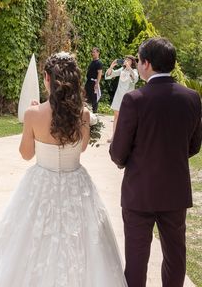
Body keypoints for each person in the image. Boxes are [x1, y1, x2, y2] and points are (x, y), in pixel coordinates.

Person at [0, 52, 126, 286]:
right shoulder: (84, 114)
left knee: (28, 240)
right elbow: (80, 149)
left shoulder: (33, 113)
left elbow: (26, 154)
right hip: (76, 182)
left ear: (47, 79)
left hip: (40, 182)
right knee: (83, 242)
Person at [110, 37, 202, 287]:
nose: (138, 65)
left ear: (147, 64)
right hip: (174, 192)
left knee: (137, 259)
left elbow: (118, 152)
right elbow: (194, 146)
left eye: (139, 61)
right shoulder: (192, 98)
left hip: (139, 192)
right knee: (175, 257)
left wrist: (126, 161)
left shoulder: (135, 100)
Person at [105, 55, 139, 142]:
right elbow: (110, 74)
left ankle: (126, 138)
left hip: (128, 97)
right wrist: (111, 66)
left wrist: (129, 69)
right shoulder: (121, 70)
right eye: (125, 59)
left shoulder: (134, 71)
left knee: (127, 117)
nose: (126, 61)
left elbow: (135, 79)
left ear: (132, 62)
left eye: (128, 60)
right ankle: (114, 137)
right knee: (116, 116)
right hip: (119, 95)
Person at [85, 46, 103, 113]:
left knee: (94, 99)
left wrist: (97, 83)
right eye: (92, 52)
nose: (93, 53)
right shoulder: (92, 62)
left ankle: (95, 113)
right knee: (86, 97)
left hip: (94, 83)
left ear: (98, 53)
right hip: (88, 82)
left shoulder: (99, 63)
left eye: (94, 52)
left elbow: (99, 73)